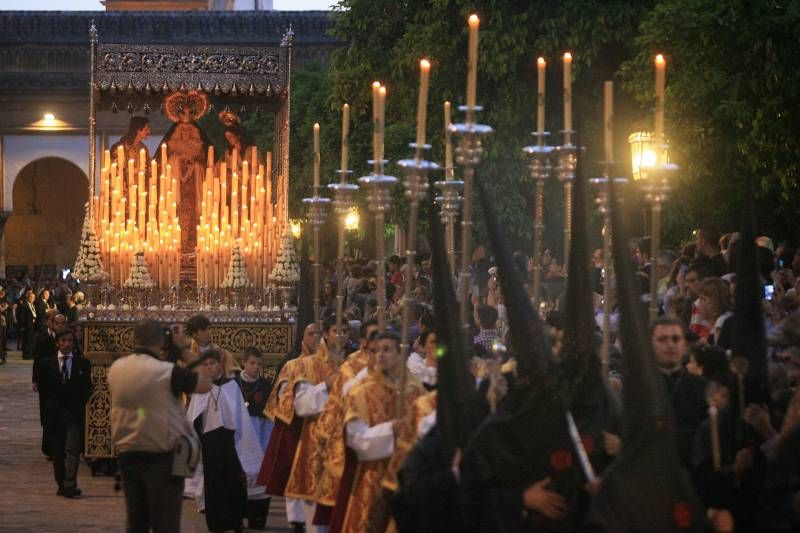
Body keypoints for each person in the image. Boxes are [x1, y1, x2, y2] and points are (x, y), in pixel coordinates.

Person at [108, 320, 211, 533]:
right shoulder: (166, 372)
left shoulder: (117, 368)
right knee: (166, 524)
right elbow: (205, 383)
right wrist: (182, 349)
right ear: (161, 340)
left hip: (128, 453)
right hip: (162, 458)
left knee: (136, 523)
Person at [338, 332, 425, 532]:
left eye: (387, 349)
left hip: (407, 479)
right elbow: (355, 438)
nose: (380, 355)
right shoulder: (361, 392)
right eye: (376, 350)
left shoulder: (416, 391)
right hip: (373, 477)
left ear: (400, 353)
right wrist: (389, 430)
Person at [186, 348, 267, 533]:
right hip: (209, 442)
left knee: (234, 482)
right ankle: (216, 524)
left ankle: (236, 520)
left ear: (219, 365)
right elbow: (192, 418)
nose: (209, 368)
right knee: (214, 484)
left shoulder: (231, 386)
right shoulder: (200, 388)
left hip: (230, 441)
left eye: (212, 363)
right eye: (205, 365)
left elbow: (240, 417)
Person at [36, 329, 91, 498]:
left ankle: (70, 484)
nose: (67, 344)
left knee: (73, 449)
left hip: (73, 413)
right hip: (55, 413)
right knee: (57, 452)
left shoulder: (82, 363)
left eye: (70, 341)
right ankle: (61, 483)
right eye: (63, 341)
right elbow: (43, 389)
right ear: (58, 343)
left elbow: (87, 388)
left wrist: (78, 404)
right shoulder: (47, 364)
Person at [234, 346, 274, 530]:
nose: (256, 367)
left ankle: (257, 517)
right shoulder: (232, 383)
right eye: (252, 363)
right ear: (243, 363)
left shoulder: (266, 386)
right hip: (238, 436)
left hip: (260, 433)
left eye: (259, 363)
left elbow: (269, 419)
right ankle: (237, 515)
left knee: (257, 478)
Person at [697, 277, 733, 349]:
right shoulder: (717, 321)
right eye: (699, 298)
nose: (699, 304)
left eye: (703, 299)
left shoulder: (722, 321)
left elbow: (720, 355)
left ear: (717, 301)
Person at [18, 289, 37, 360]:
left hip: (32, 325)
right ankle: (26, 355)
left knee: (30, 340)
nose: (33, 299)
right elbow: (22, 316)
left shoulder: (31, 304)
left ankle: (30, 354)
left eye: (34, 298)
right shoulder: (24, 305)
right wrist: (22, 326)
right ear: (28, 297)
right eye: (31, 297)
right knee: (27, 340)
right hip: (27, 325)